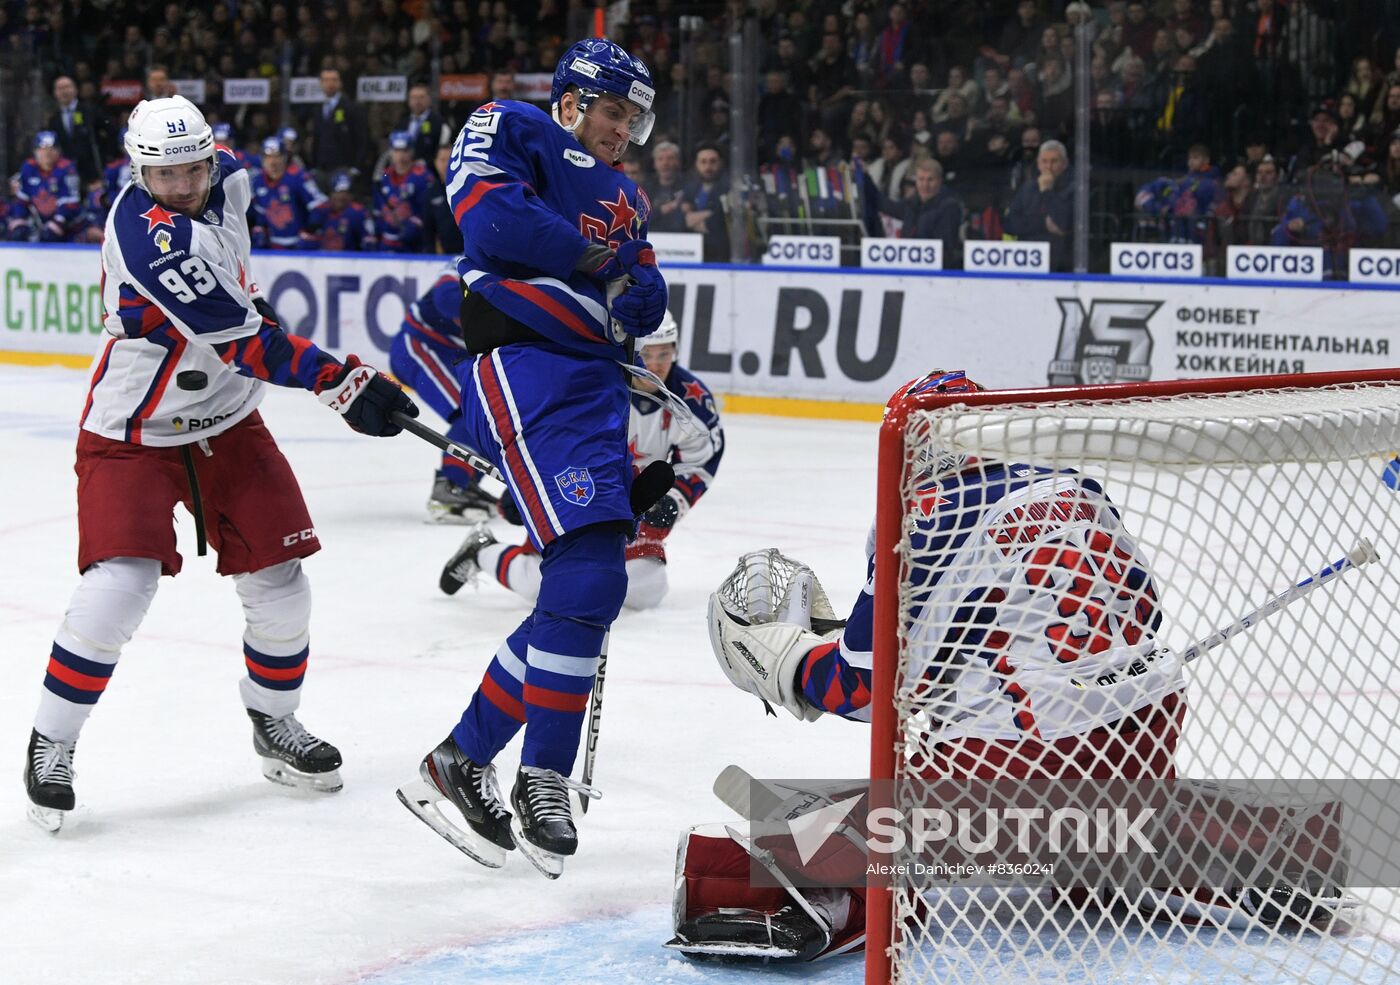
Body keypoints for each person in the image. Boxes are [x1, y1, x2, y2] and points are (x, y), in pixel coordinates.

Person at [669, 370, 1187, 960]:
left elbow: (864, 691)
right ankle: (1138, 852)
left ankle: (844, 897)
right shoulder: (1075, 486)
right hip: (1148, 732)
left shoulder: (931, 513)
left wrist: (788, 662)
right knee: (1092, 827)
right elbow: (1138, 612)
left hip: (1027, 753)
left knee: (853, 821)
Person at [22, 95, 418, 833]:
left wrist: (334, 374)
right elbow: (243, 339)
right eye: (164, 174)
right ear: (139, 172)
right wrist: (343, 380)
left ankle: (274, 722)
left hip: (229, 418)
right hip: (137, 425)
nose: (183, 184)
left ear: (213, 155)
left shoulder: (229, 178)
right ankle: (52, 740)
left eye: (194, 167)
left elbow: (247, 306)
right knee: (119, 585)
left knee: (282, 583)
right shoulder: (149, 239)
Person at [395, 38, 667, 879]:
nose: (624, 129)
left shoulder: (627, 194)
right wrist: (604, 263)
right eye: (615, 111)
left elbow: (646, 292)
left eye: (634, 117)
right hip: (525, 365)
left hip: (593, 385)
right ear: (576, 100)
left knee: (594, 582)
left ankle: (466, 757)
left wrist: (632, 275)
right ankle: (539, 774)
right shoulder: (508, 123)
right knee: (587, 577)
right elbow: (493, 220)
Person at [439, 311, 723, 609]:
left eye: (664, 354)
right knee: (546, 587)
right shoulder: (591, 383)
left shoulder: (690, 400)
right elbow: (544, 438)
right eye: (647, 354)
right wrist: (525, 487)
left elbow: (701, 461)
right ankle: (482, 551)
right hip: (576, 495)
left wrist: (673, 500)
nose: (654, 365)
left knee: (647, 589)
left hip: (637, 507)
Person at [388, 266, 498, 522]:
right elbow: (446, 297)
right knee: (474, 413)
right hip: (421, 346)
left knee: (494, 415)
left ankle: (465, 481)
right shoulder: (471, 260)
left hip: (452, 354)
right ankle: (449, 488)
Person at [1003, 138, 1074, 271]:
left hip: (1059, 260)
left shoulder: (1073, 188)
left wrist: (1047, 191)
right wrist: (1043, 224)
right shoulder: (1028, 188)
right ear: (1038, 164)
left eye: (1054, 161)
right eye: (1044, 161)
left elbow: (1064, 224)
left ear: (1064, 164)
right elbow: (1009, 223)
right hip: (1026, 256)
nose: (1048, 167)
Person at [249, 136, 326, 250]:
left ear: (285, 157)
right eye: (268, 157)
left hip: (299, 245)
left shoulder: (299, 177)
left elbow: (320, 206)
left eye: (277, 156)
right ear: (262, 159)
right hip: (274, 245)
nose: (273, 162)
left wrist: (311, 231)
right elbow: (260, 213)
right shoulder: (257, 181)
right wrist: (261, 228)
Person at [7, 131, 81, 242]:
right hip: (40, 221)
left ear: (58, 151)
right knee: (18, 233)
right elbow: (22, 200)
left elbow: (70, 204)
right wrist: (19, 219)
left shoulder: (67, 169)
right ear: (35, 151)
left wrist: (57, 222)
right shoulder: (28, 167)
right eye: (42, 148)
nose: (47, 153)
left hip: (69, 224)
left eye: (51, 148)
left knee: (50, 235)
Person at [372, 131, 434, 253]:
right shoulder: (383, 177)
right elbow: (378, 210)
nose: (400, 156)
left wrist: (415, 224)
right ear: (390, 152)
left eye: (404, 151)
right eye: (396, 151)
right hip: (387, 242)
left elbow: (429, 214)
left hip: (415, 244)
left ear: (411, 152)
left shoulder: (423, 177)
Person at [47, 75, 114, 186]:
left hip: (93, 173)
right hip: (66, 175)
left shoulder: (89, 110)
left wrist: (107, 159)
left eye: (67, 87)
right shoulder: (53, 119)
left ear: (75, 90)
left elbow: (110, 131)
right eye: (60, 88)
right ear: (55, 93)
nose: (64, 91)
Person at [306, 170, 376, 251]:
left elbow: (369, 246)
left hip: (350, 260)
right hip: (322, 260)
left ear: (350, 195)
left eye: (345, 192)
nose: (341, 196)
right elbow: (305, 245)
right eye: (337, 192)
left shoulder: (359, 213)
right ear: (330, 194)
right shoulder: (320, 211)